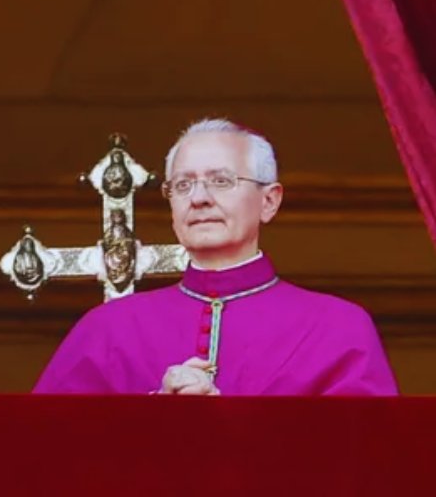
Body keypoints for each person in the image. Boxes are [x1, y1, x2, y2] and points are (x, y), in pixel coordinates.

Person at [34, 118, 397, 396]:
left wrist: (225, 425)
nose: (199, 198)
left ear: (269, 201)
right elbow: (42, 454)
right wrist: (151, 415)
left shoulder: (337, 329)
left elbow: (365, 463)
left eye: (221, 181)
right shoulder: (106, 331)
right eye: (182, 184)